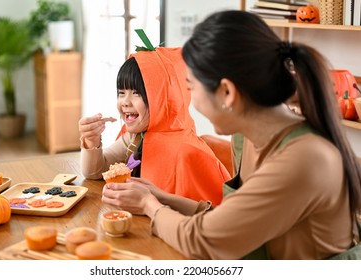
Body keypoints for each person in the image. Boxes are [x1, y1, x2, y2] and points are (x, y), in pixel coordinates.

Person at [101, 10, 361, 259]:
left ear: (227, 92)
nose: (191, 101)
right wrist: (161, 197)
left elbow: (204, 240)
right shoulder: (248, 137)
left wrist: (150, 205)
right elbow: (229, 218)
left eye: (191, 87)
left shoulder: (303, 158)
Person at [78, 47, 231, 205]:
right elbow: (96, 172)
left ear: (163, 99)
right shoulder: (138, 136)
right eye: (121, 92)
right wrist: (92, 140)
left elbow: (204, 218)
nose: (125, 101)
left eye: (137, 93)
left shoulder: (187, 153)